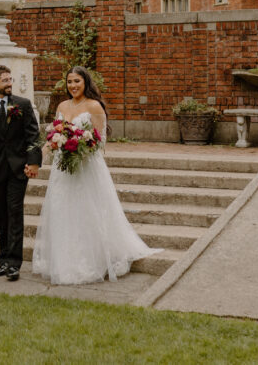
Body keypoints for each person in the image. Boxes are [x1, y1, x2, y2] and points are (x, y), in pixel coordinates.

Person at [32, 66, 161, 284]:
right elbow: (54, 136)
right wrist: (40, 156)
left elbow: (100, 143)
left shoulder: (94, 106)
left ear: (86, 83)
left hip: (87, 167)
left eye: (77, 81)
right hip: (63, 169)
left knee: (88, 210)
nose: (73, 86)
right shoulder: (62, 106)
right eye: (69, 81)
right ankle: (65, 260)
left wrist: (79, 145)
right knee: (63, 210)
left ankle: (92, 259)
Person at [0, 64, 41, 282]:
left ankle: (14, 264)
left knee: (15, 214)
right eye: (5, 81)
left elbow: (33, 136)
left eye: (10, 79)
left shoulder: (23, 104)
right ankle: (3, 259)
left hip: (18, 169)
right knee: (1, 215)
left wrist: (33, 163)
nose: (10, 83)